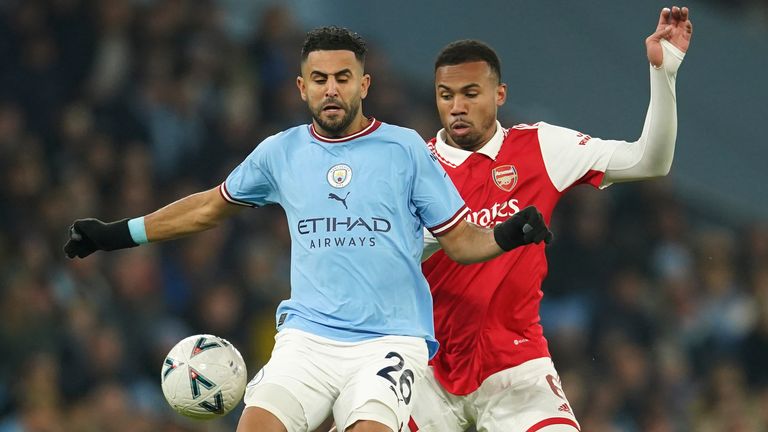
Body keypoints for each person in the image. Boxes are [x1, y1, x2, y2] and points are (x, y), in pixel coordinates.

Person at [63, 26, 553, 432]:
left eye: (343, 77)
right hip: (307, 339)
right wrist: (116, 234)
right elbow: (209, 207)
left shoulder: (406, 150)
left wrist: (510, 234)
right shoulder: (280, 152)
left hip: (389, 342)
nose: (331, 89)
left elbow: (461, 242)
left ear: (365, 84)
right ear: (302, 87)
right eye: (319, 79)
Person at [409, 6, 693, 432]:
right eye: (446, 95)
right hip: (429, 369)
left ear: (499, 94)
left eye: (471, 93)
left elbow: (649, 161)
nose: (457, 107)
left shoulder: (541, 147)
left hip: (516, 366)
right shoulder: (415, 167)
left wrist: (664, 74)